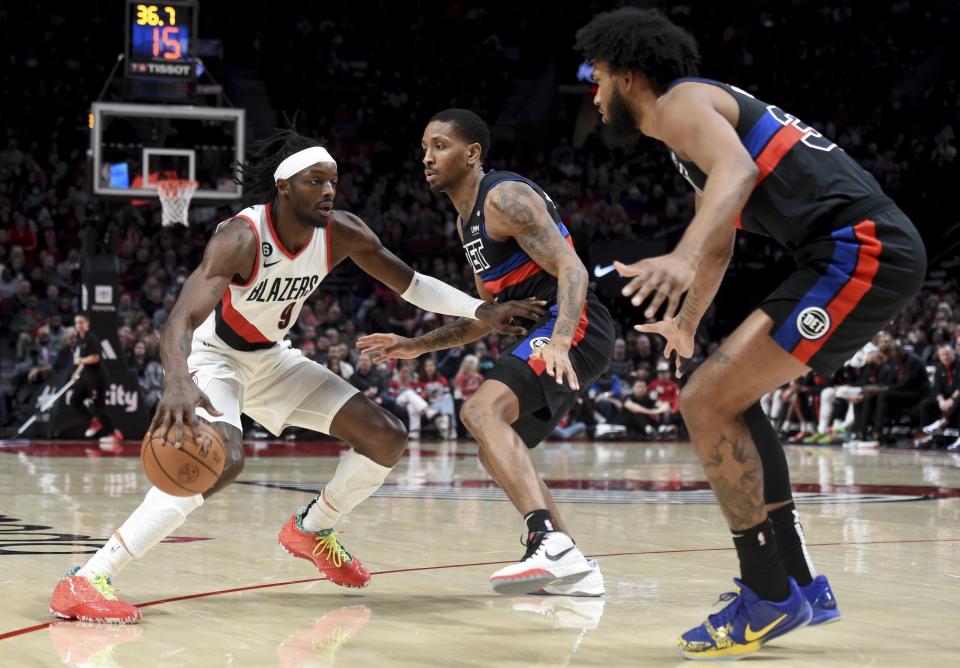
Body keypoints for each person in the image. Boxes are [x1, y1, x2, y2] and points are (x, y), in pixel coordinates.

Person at [49, 128, 543, 624]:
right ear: (284, 187)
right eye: (315, 181)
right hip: (216, 358)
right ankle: (89, 577)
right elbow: (179, 319)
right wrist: (176, 377)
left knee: (386, 436)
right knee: (222, 459)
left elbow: (412, 285)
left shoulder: (343, 232)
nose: (328, 191)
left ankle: (312, 528)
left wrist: (482, 309)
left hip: (273, 359)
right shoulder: (241, 237)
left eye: (332, 181)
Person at [576, 7, 925, 658]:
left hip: (860, 248)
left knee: (704, 400)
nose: (590, 94)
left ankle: (767, 598)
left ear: (627, 76)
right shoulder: (689, 132)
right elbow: (720, 243)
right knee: (724, 397)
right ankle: (796, 582)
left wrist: (676, 257)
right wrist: (686, 322)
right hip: (844, 251)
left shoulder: (680, 103)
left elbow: (735, 181)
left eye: (592, 76)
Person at [358, 109, 615, 597]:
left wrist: (560, 338)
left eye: (439, 146)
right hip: (547, 326)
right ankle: (573, 563)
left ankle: (547, 540)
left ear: (472, 153)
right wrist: (415, 346)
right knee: (489, 448)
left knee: (480, 409)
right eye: (424, 149)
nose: (427, 158)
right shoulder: (465, 222)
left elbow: (574, 271)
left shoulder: (504, 197)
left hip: (576, 322)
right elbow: (488, 315)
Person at [69, 313, 123, 441]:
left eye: (82, 322)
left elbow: (95, 358)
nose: (79, 325)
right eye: (77, 322)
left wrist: (79, 360)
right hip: (87, 378)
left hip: (98, 378)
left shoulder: (91, 338)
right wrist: (76, 372)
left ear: (87, 324)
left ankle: (115, 434)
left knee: (99, 408)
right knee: (75, 400)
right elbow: (83, 361)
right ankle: (94, 422)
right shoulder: (80, 340)